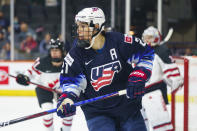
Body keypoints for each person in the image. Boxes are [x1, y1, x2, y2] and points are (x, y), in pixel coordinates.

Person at [56, 7, 155, 131]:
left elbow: (146, 53)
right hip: (97, 113)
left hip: (128, 108)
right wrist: (67, 99)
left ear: (97, 26)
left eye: (83, 26)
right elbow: (72, 84)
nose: (78, 30)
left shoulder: (119, 41)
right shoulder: (75, 54)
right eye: (78, 26)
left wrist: (139, 74)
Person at [15, 39, 73, 131]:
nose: (54, 53)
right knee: (47, 111)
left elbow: (78, 77)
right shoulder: (42, 62)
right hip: (44, 89)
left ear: (62, 51)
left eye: (57, 50)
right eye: (52, 50)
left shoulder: (69, 63)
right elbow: (30, 71)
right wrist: (25, 77)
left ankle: (66, 129)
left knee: (68, 111)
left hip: (62, 90)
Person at [141, 26, 184, 131]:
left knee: (162, 127)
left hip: (154, 94)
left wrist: (175, 82)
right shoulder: (142, 51)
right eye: (146, 37)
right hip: (140, 95)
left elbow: (173, 72)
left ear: (156, 38)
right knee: (141, 126)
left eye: (150, 37)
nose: (147, 40)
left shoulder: (162, 51)